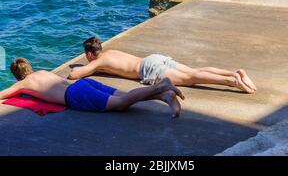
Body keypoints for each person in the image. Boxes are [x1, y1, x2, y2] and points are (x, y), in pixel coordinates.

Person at [0, 58, 184, 118]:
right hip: (82, 84)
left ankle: (162, 85)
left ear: (17, 75)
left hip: (75, 94)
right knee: (128, 96)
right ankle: (165, 96)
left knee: (121, 104)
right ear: (29, 67)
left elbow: (4, 94)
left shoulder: (23, 83)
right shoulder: (42, 72)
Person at [68, 37, 257, 94]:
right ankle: (235, 72)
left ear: (89, 53)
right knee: (194, 71)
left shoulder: (99, 61)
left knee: (190, 79)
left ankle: (232, 81)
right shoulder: (110, 52)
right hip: (154, 58)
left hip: (149, 69)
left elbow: (75, 75)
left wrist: (79, 68)